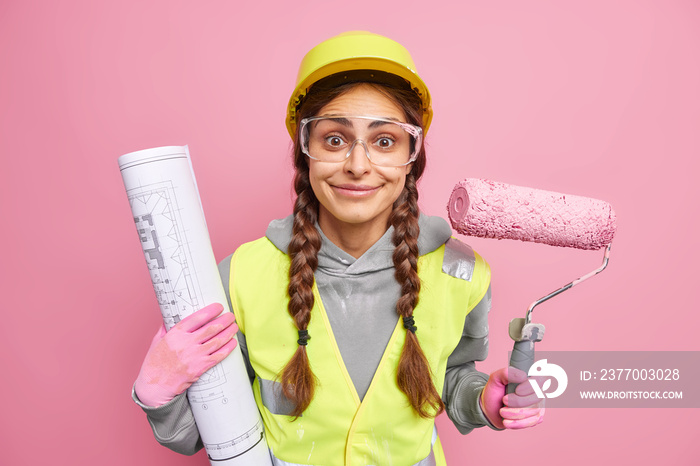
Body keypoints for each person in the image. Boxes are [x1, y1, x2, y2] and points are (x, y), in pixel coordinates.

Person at [132, 31, 545, 466]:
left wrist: (482, 400)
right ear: (305, 152)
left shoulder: (461, 273)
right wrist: (156, 392)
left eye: (385, 141)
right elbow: (210, 425)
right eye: (334, 139)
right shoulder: (241, 276)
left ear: (412, 158)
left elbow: (453, 375)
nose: (358, 164)